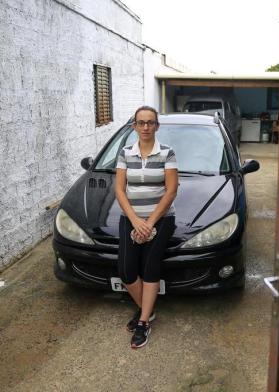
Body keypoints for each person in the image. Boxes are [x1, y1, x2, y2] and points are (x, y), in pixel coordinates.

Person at [115, 105, 178, 349]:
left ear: (157, 126)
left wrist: (150, 223)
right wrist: (135, 221)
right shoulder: (125, 153)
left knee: (150, 268)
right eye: (141, 122)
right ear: (134, 126)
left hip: (161, 219)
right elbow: (120, 190)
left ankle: (143, 322)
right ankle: (148, 310)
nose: (145, 127)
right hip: (131, 218)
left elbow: (171, 190)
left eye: (150, 122)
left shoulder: (167, 153)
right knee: (127, 271)